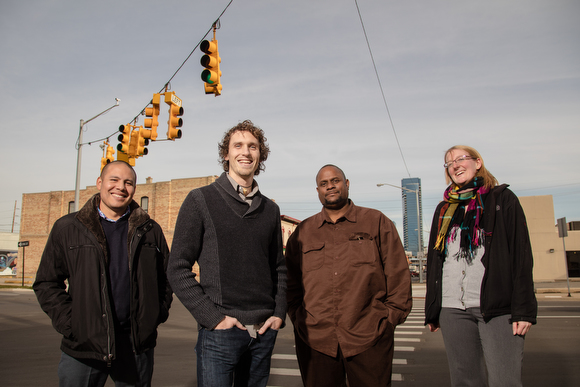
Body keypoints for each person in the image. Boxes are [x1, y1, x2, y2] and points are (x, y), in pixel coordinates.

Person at [167, 120, 286, 387]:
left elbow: (278, 267)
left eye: (253, 146)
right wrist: (213, 318)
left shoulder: (270, 210)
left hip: (264, 331)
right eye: (238, 145)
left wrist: (278, 313)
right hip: (220, 332)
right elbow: (177, 267)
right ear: (226, 153)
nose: (246, 152)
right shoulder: (200, 200)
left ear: (260, 155)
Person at [33, 160, 173, 387]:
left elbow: (166, 278)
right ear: (100, 183)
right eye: (114, 180)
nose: (121, 187)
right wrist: (72, 324)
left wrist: (154, 316)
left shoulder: (150, 230)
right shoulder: (68, 227)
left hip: (135, 344)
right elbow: (47, 282)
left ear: (134, 189)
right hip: (84, 347)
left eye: (128, 182)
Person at [285, 164, 412, 387]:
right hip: (316, 340)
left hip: (370, 337)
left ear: (347, 184)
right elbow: (291, 282)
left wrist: (388, 320)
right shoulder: (303, 231)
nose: (330, 187)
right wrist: (297, 317)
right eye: (323, 184)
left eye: (335, 181)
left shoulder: (376, 222)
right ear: (318, 191)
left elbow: (398, 273)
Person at [424, 145, 537, 387]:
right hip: (453, 308)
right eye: (449, 163)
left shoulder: (501, 199)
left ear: (478, 162)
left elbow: (521, 255)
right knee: (464, 381)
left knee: (504, 381)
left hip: (497, 308)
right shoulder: (443, 209)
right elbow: (435, 261)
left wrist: (524, 310)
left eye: (461, 159)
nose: (455, 165)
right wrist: (433, 309)